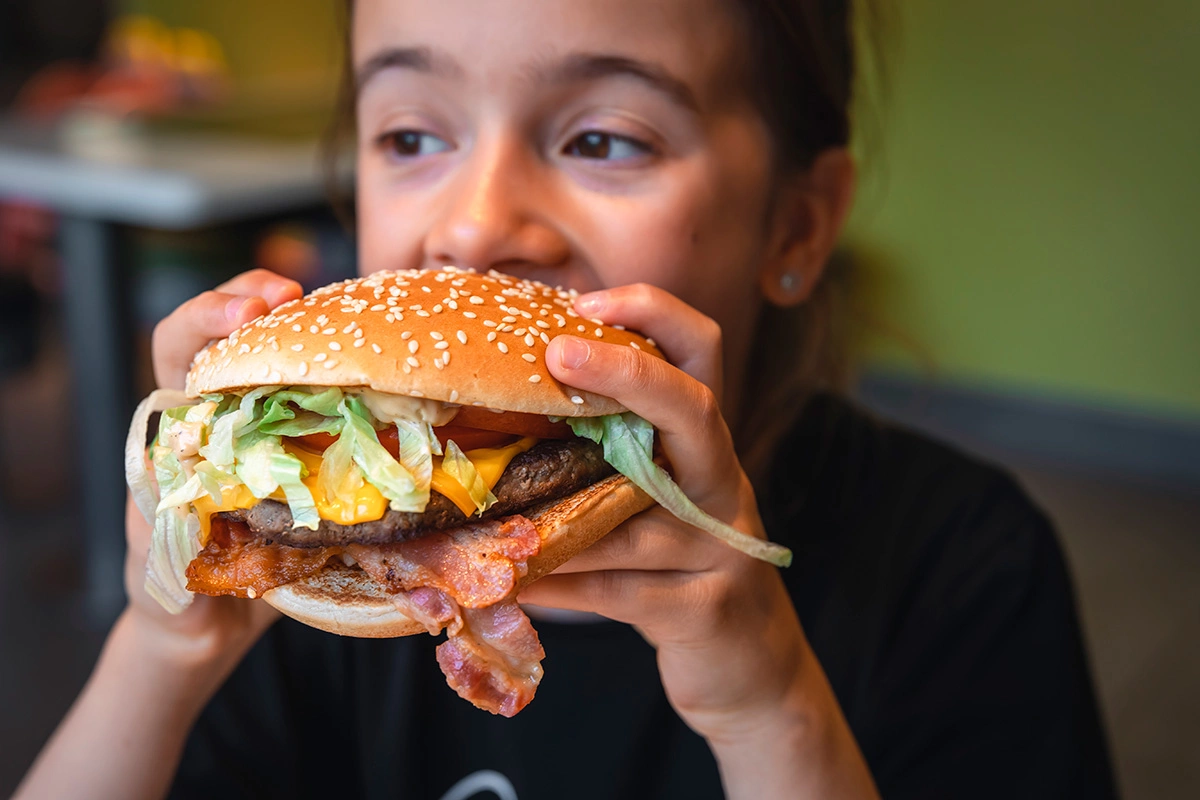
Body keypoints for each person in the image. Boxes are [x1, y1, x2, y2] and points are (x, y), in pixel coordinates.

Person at [16, 1, 1117, 798]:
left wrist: (769, 706)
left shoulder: (966, 561)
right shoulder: (314, 592)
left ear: (798, 224)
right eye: (412, 136)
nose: (478, 225)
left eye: (602, 139)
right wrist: (164, 652)